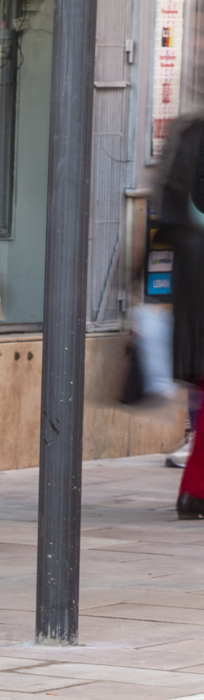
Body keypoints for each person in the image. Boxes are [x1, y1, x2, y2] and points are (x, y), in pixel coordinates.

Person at [156, 113, 204, 518]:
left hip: (192, 280)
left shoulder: (191, 131)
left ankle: (195, 490)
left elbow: (170, 213)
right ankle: (195, 491)